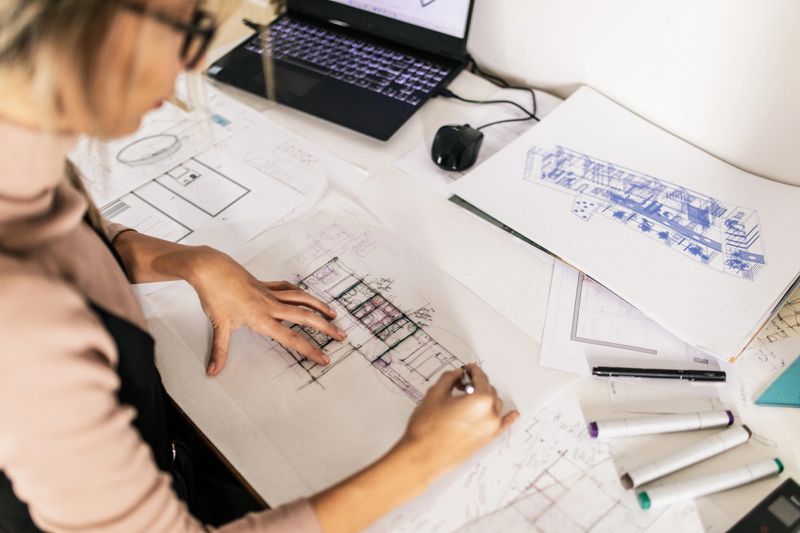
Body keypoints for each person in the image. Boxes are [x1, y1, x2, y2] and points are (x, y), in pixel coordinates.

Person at [0, 1, 519, 531]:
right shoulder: (23, 323)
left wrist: (192, 260)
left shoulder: (24, 156)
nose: (197, 61)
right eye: (183, 28)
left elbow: (80, 238)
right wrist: (424, 455)